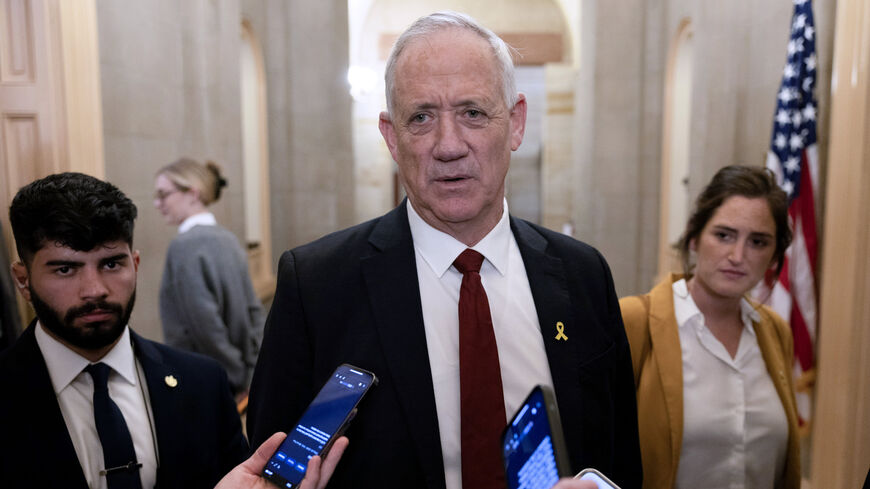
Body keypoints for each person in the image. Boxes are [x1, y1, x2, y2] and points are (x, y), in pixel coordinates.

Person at [247, 11, 641, 489]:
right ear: (392, 137)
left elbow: (617, 453)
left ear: (515, 124)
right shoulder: (315, 287)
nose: (449, 145)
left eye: (473, 113)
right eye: (421, 117)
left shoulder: (583, 275)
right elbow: (272, 472)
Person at [0, 172, 248, 488]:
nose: (95, 290)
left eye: (111, 264)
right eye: (65, 269)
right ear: (23, 280)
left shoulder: (203, 383)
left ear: (135, 264)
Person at [620, 165, 801, 488]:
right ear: (694, 237)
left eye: (758, 242)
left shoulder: (775, 332)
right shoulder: (635, 321)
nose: (737, 255)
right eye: (723, 235)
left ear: (774, 257)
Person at [154, 158, 264, 397]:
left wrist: (233, 372)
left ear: (192, 193)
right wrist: (251, 368)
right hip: (238, 374)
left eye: (163, 195)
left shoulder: (183, 246)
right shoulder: (229, 240)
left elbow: (203, 324)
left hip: (204, 377)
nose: (157, 203)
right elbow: (253, 311)